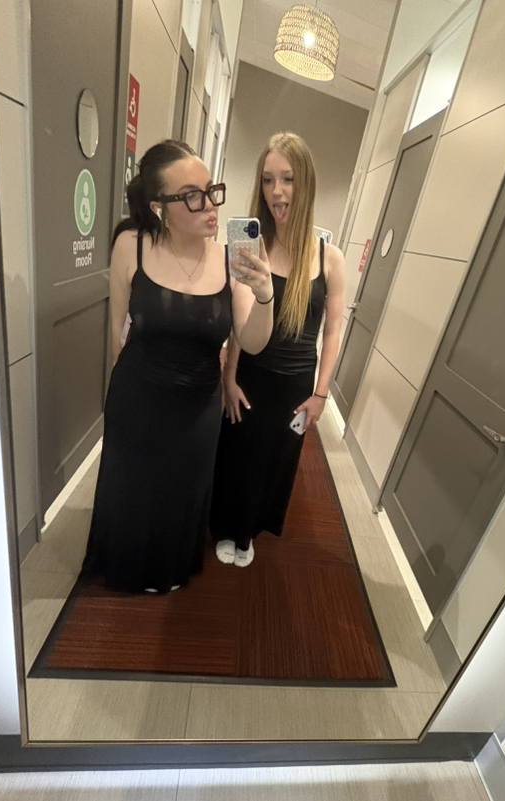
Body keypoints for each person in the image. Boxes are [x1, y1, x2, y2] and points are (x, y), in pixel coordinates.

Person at [82, 140, 274, 594]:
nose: (210, 205)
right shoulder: (131, 246)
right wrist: (120, 397)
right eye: (192, 196)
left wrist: (265, 294)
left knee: (180, 492)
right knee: (131, 486)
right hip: (137, 396)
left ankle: (166, 569)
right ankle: (126, 564)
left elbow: (252, 340)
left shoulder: (231, 259)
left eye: (211, 190)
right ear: (159, 207)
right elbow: (117, 332)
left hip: (198, 406)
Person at [211, 132, 346, 567]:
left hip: (296, 384)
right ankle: (227, 526)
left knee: (275, 460)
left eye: (287, 179)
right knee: (238, 454)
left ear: (304, 183)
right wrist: (229, 376)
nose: (276, 191)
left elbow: (333, 330)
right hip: (252, 373)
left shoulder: (330, 258)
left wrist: (321, 393)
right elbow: (240, 324)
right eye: (268, 180)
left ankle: (249, 533)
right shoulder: (251, 247)